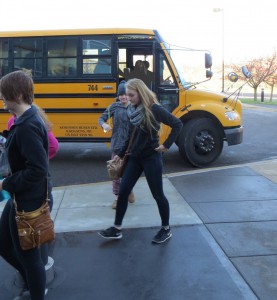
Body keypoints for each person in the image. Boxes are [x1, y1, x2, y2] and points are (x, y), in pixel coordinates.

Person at [98, 78, 183, 244]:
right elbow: (131, 136)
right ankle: (117, 229)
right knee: (123, 192)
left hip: (151, 157)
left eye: (131, 95)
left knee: (158, 195)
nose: (128, 98)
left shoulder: (154, 109)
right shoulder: (132, 109)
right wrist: (120, 154)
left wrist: (166, 145)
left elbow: (177, 124)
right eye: (127, 95)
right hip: (134, 158)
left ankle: (166, 229)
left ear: (140, 92)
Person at [0, 70, 49, 299]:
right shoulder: (26, 120)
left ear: (17, 95)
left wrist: (5, 183)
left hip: (27, 202)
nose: (1, 98)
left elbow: (38, 170)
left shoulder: (28, 126)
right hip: (20, 197)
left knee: (30, 257)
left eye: (4, 94)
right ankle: (32, 284)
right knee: (4, 244)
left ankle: (36, 290)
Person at [98, 81, 135, 209]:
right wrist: (104, 125)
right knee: (115, 172)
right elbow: (101, 118)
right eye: (121, 95)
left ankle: (129, 190)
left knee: (128, 172)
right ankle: (117, 198)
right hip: (117, 144)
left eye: (125, 94)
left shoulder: (134, 107)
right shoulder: (114, 107)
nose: (123, 97)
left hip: (130, 145)